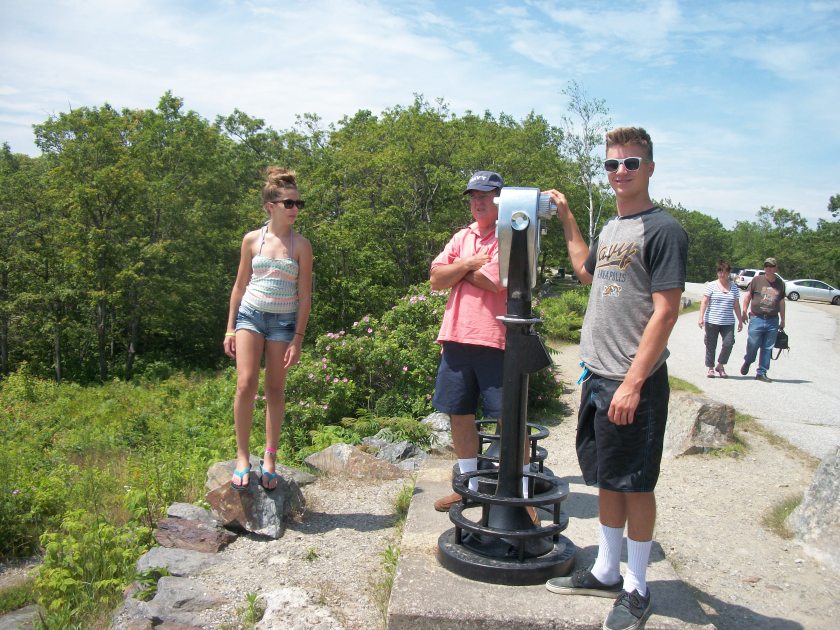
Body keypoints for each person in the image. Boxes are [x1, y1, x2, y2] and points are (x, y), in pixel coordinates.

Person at [543, 127, 688, 630]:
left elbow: (667, 312)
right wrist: (565, 217)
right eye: (612, 164)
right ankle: (606, 569)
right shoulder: (611, 228)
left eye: (630, 163)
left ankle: (638, 587)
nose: (620, 172)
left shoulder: (664, 229)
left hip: (634, 382)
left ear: (650, 167)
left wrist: (632, 382)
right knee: (605, 476)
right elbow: (587, 272)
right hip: (598, 376)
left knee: (636, 484)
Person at [223, 167, 313, 490]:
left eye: (298, 203)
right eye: (289, 203)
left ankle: (270, 456)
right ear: (270, 206)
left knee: (275, 388)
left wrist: (298, 339)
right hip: (251, 315)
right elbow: (239, 285)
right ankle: (242, 456)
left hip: (283, 322)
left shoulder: (301, 246)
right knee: (246, 383)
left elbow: (305, 296)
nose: (295, 209)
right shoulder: (252, 240)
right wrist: (230, 329)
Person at [429, 171, 511, 511]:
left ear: (500, 200)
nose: (478, 201)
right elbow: (435, 279)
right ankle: (469, 486)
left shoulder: (509, 236)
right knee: (458, 413)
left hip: (494, 339)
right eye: (473, 196)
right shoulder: (461, 237)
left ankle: (515, 490)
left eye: (486, 195)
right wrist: (467, 264)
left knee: (508, 417)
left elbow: (495, 282)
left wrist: (457, 272)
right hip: (456, 338)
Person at [740, 257, 785, 382]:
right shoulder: (757, 280)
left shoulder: (780, 283)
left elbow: (781, 302)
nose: (768, 269)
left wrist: (783, 319)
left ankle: (761, 372)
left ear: (775, 268)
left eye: (771, 266)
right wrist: (744, 311)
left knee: (768, 347)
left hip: (772, 320)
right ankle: (748, 360)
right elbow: (748, 296)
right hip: (756, 318)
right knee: (753, 344)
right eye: (766, 266)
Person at [698, 260, 743, 378]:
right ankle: (711, 368)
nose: (722, 274)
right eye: (720, 271)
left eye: (724, 271)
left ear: (728, 273)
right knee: (710, 344)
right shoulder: (711, 285)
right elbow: (704, 302)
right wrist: (701, 317)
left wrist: (740, 320)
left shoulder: (734, 287)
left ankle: (721, 365)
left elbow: (736, 305)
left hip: (728, 322)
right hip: (712, 321)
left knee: (728, 343)